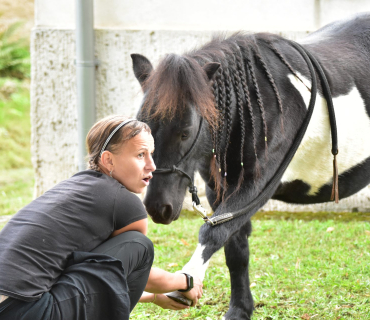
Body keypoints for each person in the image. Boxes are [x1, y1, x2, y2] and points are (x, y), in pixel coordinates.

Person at [0, 115, 203, 320]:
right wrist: (186, 281)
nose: (152, 166)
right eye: (141, 155)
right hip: (29, 311)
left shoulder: (72, 189)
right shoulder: (122, 202)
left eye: (151, 154)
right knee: (139, 247)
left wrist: (152, 298)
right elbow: (138, 272)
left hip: (16, 307)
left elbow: (93, 274)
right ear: (108, 160)